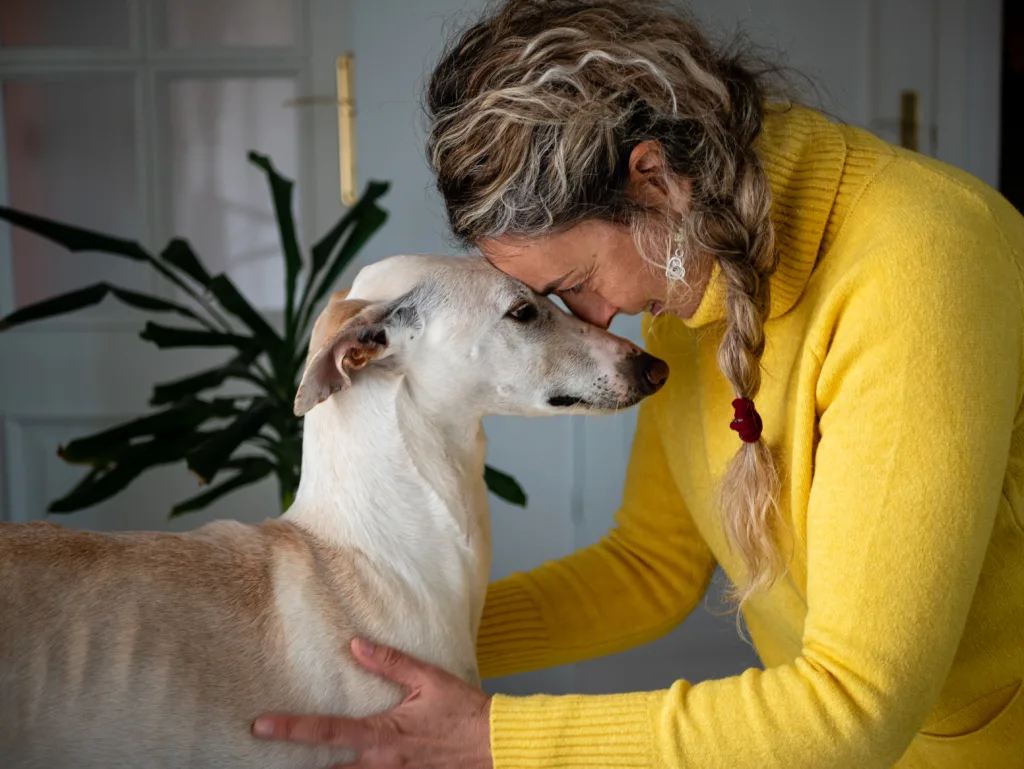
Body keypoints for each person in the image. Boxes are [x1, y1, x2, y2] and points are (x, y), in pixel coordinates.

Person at [251, 1, 1024, 766]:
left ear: (651, 178)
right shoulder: (693, 256)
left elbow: (854, 708)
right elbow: (649, 569)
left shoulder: (923, 266)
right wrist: (368, 644)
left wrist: (495, 737)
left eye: (578, 280)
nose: (598, 321)